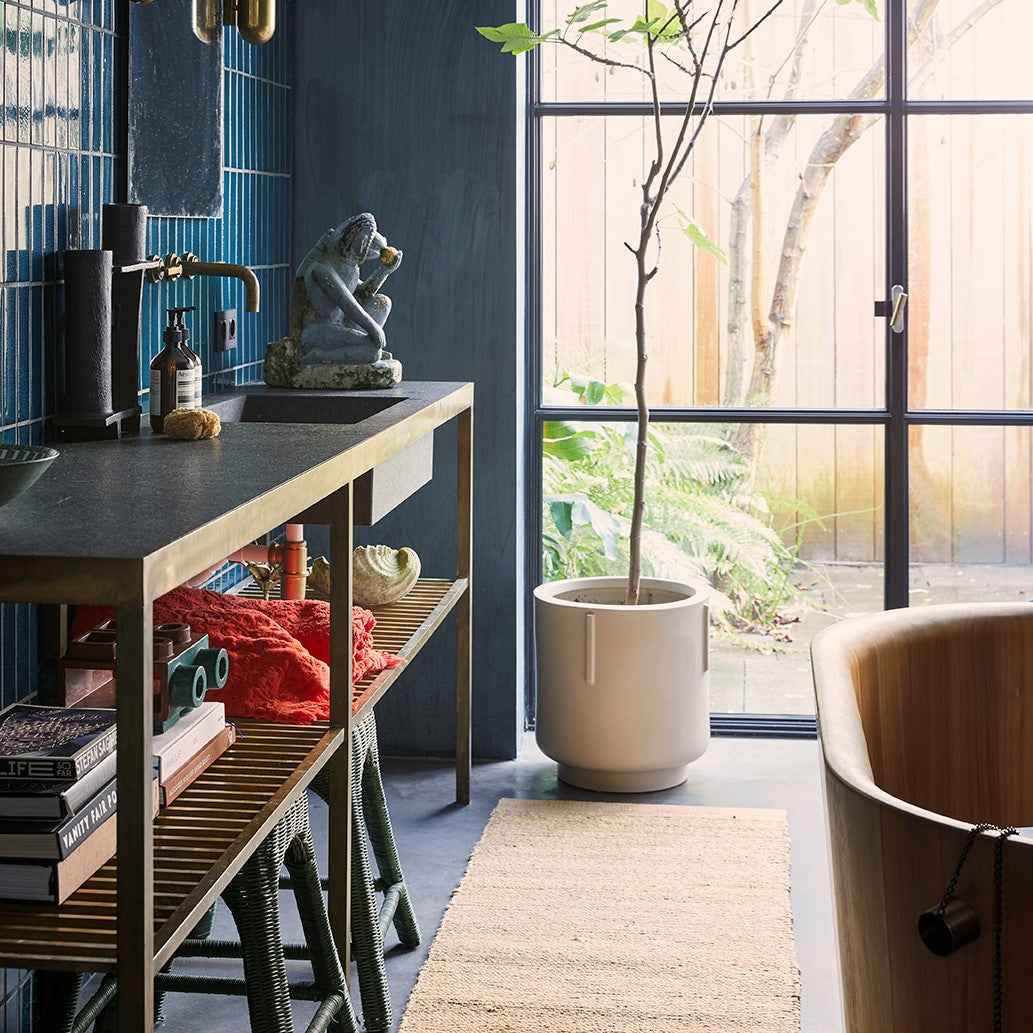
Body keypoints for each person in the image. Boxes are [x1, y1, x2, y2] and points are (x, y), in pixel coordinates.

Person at [292, 212, 403, 366]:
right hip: (320, 332)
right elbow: (347, 303)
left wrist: (384, 271)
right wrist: (374, 329)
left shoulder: (348, 267)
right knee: (373, 351)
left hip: (340, 325)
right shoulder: (321, 268)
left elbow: (363, 294)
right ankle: (319, 356)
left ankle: (360, 348)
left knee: (382, 302)